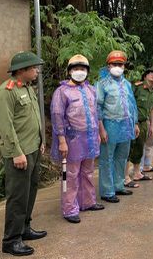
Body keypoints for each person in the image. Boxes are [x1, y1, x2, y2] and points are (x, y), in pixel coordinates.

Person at [0, 51, 47, 256]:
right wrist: (17, 152)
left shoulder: (27, 87)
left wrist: (40, 141)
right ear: (22, 70)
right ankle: (11, 240)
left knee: (30, 192)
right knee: (17, 196)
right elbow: (6, 127)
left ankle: (24, 228)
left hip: (32, 149)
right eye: (34, 68)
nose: (37, 71)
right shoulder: (6, 92)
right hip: (20, 153)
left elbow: (32, 118)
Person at [50, 55, 105, 224]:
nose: (79, 72)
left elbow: (96, 112)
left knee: (88, 171)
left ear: (87, 72)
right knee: (71, 174)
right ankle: (69, 209)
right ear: (69, 71)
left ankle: (88, 202)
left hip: (90, 137)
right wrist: (62, 140)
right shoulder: (62, 91)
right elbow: (57, 116)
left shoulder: (91, 90)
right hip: (72, 138)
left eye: (82, 69)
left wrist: (98, 131)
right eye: (75, 69)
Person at [96, 50, 139, 203]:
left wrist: (135, 123)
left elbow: (132, 104)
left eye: (120, 64)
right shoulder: (102, 84)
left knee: (122, 157)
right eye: (114, 64)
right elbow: (98, 107)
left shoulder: (127, 84)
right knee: (107, 158)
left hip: (126, 124)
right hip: (110, 124)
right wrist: (101, 128)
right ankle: (107, 191)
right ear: (108, 66)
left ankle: (119, 185)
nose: (117, 67)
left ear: (124, 66)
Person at [124, 66, 153, 186]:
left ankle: (137, 173)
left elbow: (152, 109)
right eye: (151, 73)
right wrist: (134, 122)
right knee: (128, 149)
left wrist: (151, 125)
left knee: (139, 148)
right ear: (145, 75)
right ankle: (125, 177)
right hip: (131, 122)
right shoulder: (137, 87)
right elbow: (128, 104)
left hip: (144, 123)